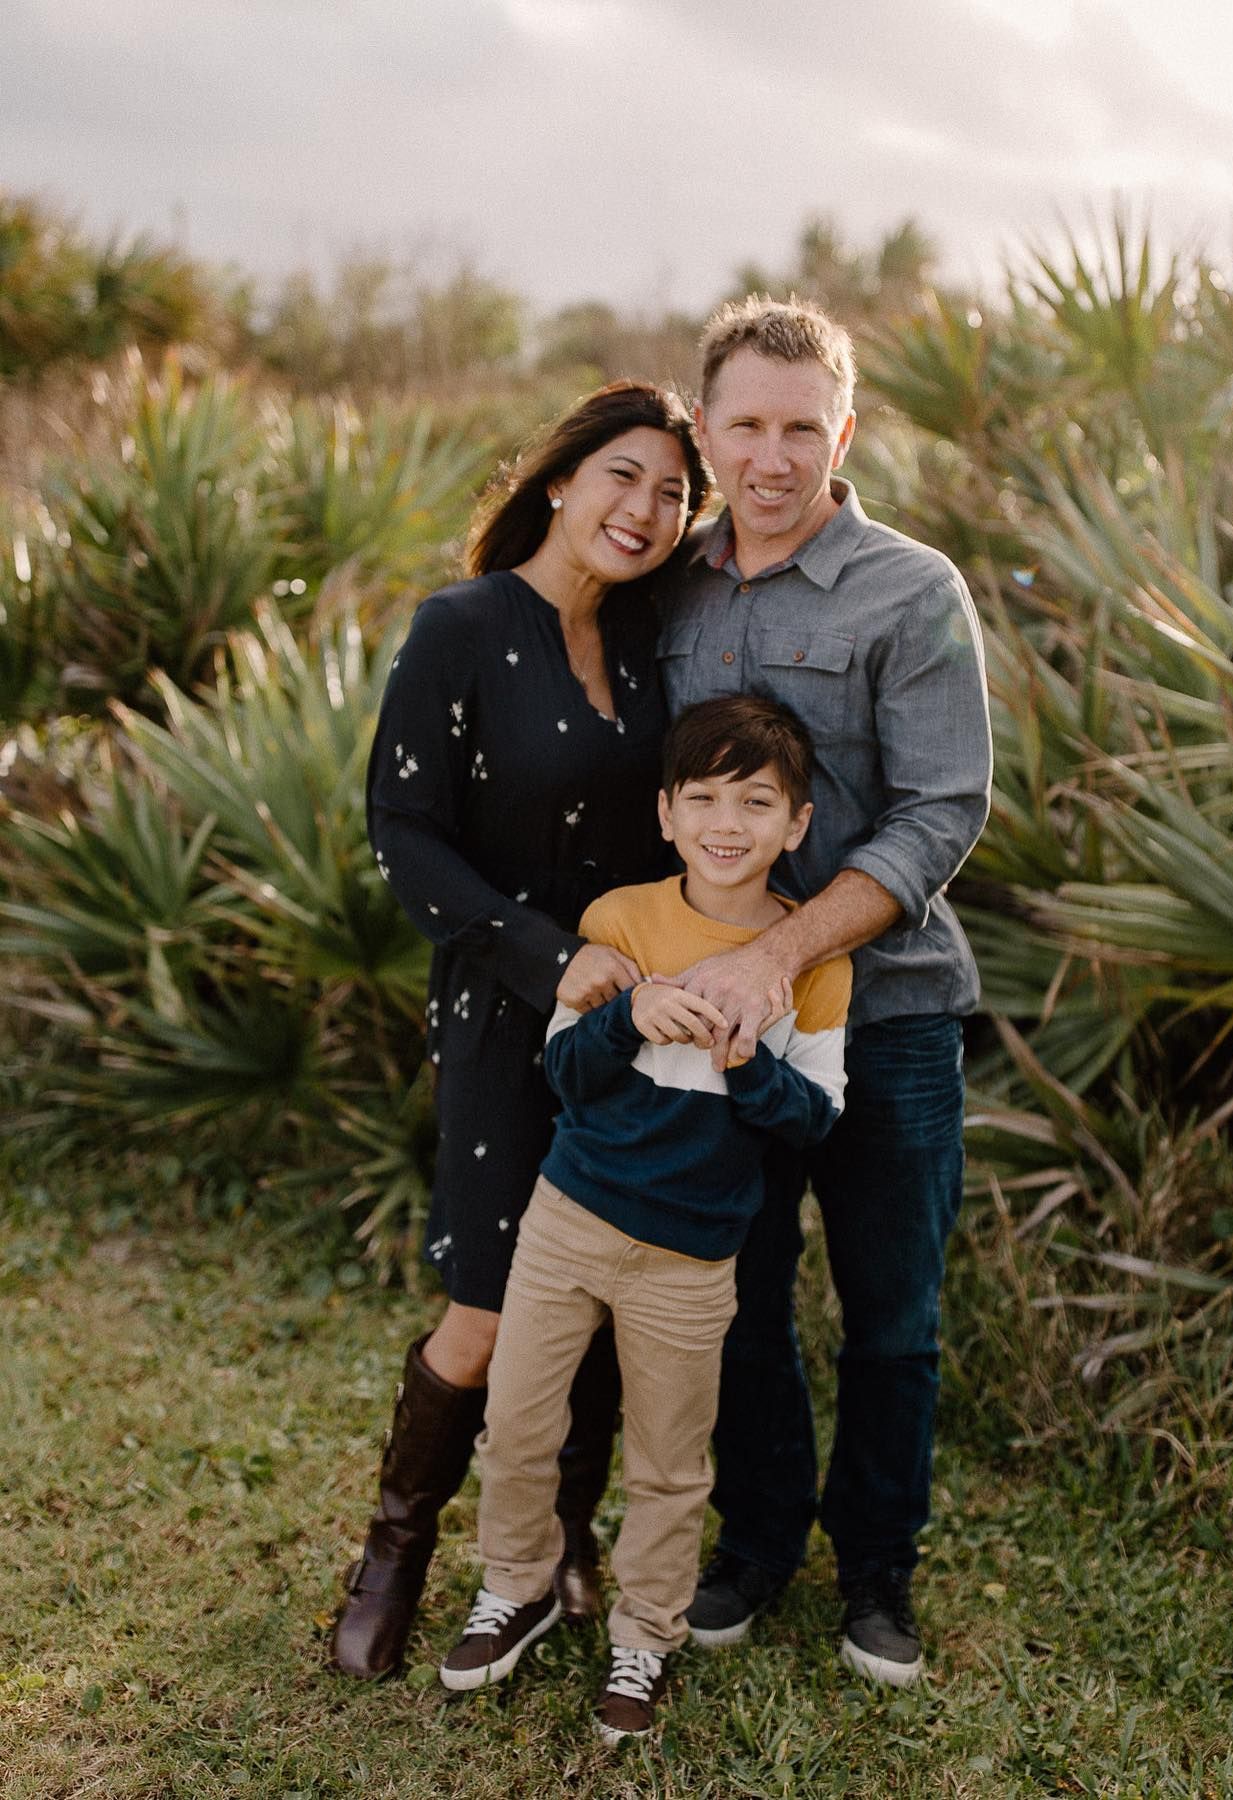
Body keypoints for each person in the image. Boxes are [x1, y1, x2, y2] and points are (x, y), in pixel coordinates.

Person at [330, 381, 709, 1680]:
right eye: (622, 475)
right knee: (489, 1307)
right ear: (559, 478)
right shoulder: (462, 628)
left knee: (607, 1286)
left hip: (637, 1025)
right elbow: (404, 835)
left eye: (671, 492)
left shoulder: (656, 636)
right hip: (506, 1008)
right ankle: (395, 1552)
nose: (644, 508)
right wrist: (554, 958)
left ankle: (555, 1548)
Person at [655, 296, 993, 1687]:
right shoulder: (664, 587)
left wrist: (782, 951)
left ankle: (877, 1572)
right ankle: (756, 1543)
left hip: (894, 1014)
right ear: (707, 428)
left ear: (843, 433)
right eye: (746, 424)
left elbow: (944, 810)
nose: (774, 455)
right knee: (732, 1289)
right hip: (713, 1017)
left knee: (892, 1313)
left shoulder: (912, 589)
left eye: (804, 427)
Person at [435, 695, 851, 1744]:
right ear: (666, 814)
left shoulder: (811, 960)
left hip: (691, 1257)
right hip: (568, 1222)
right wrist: (628, 1016)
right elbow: (564, 1075)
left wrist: (747, 1060)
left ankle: (647, 1636)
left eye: (757, 801)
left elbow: (815, 1121)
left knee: (672, 1462)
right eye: (704, 797)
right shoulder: (620, 918)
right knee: (520, 1424)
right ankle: (516, 1587)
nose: (728, 821)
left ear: (795, 825)